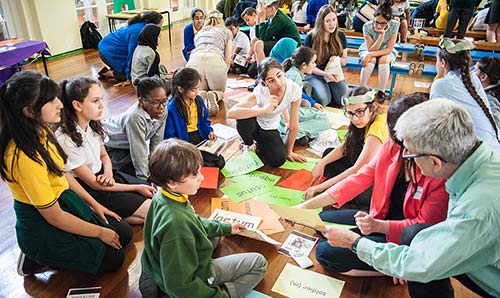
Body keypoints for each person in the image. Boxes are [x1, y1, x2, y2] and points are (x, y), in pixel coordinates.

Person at [317, 99, 500, 298]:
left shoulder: (477, 210)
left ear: (434, 162)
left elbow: (418, 264)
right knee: (415, 236)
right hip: (467, 251)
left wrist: (354, 242)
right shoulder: (480, 161)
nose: (404, 155)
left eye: (410, 154)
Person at [297, 93, 449, 277]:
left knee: (325, 253)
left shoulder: (437, 171)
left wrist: (378, 229)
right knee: (322, 220)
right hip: (378, 217)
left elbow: (421, 228)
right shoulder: (393, 146)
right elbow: (361, 176)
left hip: (402, 236)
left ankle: (397, 267)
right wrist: (304, 207)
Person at [0, 71, 132, 276]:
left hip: (64, 200)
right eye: (51, 101)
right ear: (28, 111)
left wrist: (96, 205)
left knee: (123, 234)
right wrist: (98, 231)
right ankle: (35, 256)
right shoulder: (23, 157)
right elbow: (54, 217)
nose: (60, 104)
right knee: (113, 259)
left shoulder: (42, 131)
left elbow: (63, 176)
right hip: (43, 218)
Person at [139, 139, 267, 298]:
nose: (201, 178)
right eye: (194, 175)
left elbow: (193, 221)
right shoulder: (176, 225)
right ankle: (225, 293)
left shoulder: (163, 195)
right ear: (172, 183)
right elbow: (180, 286)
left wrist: (225, 228)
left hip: (161, 264)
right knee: (259, 263)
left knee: (215, 234)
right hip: (188, 278)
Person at [56, 77, 155, 225]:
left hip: (105, 176)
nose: (102, 105)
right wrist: (136, 186)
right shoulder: (65, 138)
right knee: (154, 211)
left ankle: (118, 217)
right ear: (77, 105)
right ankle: (111, 218)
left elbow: (104, 155)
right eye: (95, 101)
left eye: (101, 99)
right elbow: (93, 184)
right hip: (91, 187)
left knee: (153, 197)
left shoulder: (93, 124)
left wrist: (108, 173)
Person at [305, 87, 388, 209]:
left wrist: (321, 187)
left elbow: (357, 170)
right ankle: (337, 184)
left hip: (380, 181)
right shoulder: (366, 118)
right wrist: (322, 163)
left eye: (359, 112)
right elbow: (347, 145)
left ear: (373, 106)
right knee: (328, 154)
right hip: (368, 168)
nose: (354, 118)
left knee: (355, 195)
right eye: (350, 113)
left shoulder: (377, 129)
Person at [227, 57, 306, 167]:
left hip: (270, 127)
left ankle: (260, 145)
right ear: (264, 82)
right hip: (255, 123)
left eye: (279, 76)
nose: (278, 83)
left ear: (283, 72)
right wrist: (264, 109)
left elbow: (294, 125)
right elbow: (231, 113)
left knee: (279, 160)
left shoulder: (294, 89)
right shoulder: (260, 91)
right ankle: (248, 144)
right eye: (271, 80)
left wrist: (289, 151)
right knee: (243, 118)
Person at [431, 38, 500, 151]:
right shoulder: (472, 77)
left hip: (479, 154)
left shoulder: (440, 85)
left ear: (443, 62)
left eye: (437, 60)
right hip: (494, 146)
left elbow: (436, 124)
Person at [103, 76, 170, 181]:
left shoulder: (163, 110)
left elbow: (157, 141)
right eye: (155, 102)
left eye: (164, 101)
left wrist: (155, 166)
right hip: (113, 145)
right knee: (121, 173)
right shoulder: (135, 117)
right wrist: (145, 179)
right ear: (141, 102)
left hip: (129, 144)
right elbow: (138, 150)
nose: (161, 107)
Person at [164, 67, 226, 169]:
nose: (197, 92)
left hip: (199, 137)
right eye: (193, 90)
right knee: (203, 166)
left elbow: (204, 121)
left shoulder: (198, 101)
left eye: (198, 88)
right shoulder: (172, 108)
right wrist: (183, 148)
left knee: (220, 163)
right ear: (180, 89)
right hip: (184, 143)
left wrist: (209, 132)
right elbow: (169, 136)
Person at [98, 11, 163, 87]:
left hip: (114, 49)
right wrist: (128, 78)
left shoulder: (142, 28)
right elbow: (132, 55)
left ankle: (115, 70)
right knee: (133, 76)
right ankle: (108, 73)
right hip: (108, 51)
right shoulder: (138, 31)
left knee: (140, 70)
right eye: (160, 26)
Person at [282, 46, 332, 145]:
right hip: (286, 115)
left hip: (289, 112)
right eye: (313, 62)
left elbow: (297, 94)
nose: (315, 65)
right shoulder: (294, 76)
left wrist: (313, 103)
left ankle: (298, 134)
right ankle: (296, 133)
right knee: (324, 120)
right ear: (304, 65)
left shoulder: (295, 73)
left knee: (315, 112)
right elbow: (284, 103)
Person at [304, 4, 349, 107]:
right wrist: (325, 74)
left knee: (343, 100)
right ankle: (308, 88)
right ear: (321, 22)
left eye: (334, 19)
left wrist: (337, 59)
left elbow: (344, 60)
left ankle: (327, 89)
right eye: (328, 21)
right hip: (314, 73)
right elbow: (307, 66)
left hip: (332, 72)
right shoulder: (311, 37)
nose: (332, 24)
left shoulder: (340, 35)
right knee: (324, 100)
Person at [186, 10, 232, 108]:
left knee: (199, 89)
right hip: (215, 59)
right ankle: (215, 95)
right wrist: (224, 72)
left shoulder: (199, 33)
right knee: (220, 91)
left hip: (194, 60)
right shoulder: (226, 32)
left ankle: (201, 94)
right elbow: (228, 59)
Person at [359, 2, 399, 91]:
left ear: (389, 21)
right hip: (369, 48)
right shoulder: (367, 26)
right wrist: (381, 36)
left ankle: (382, 91)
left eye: (383, 23)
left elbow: (389, 49)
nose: (379, 25)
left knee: (384, 59)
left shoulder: (395, 25)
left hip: (385, 49)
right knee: (371, 59)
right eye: (377, 22)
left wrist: (382, 34)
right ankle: (362, 88)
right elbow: (370, 49)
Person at [251, 0, 301, 67]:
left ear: (272, 9)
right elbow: (258, 35)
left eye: (263, 8)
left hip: (290, 46)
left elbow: (263, 38)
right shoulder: (271, 17)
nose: (260, 11)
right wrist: (258, 18)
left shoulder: (280, 18)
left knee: (258, 44)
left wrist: (262, 18)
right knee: (254, 40)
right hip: (279, 43)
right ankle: (261, 66)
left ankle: (263, 71)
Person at [474, 57, 500, 126]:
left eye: (475, 70)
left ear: (483, 77)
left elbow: (495, 126)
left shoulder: (489, 99)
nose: (471, 73)